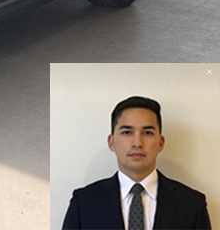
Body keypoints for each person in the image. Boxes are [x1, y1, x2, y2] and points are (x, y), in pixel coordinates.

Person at [62, 96, 211, 230]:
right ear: (111, 142)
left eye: (147, 133)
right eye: (127, 132)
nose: (137, 143)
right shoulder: (84, 202)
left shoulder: (191, 204)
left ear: (160, 143)